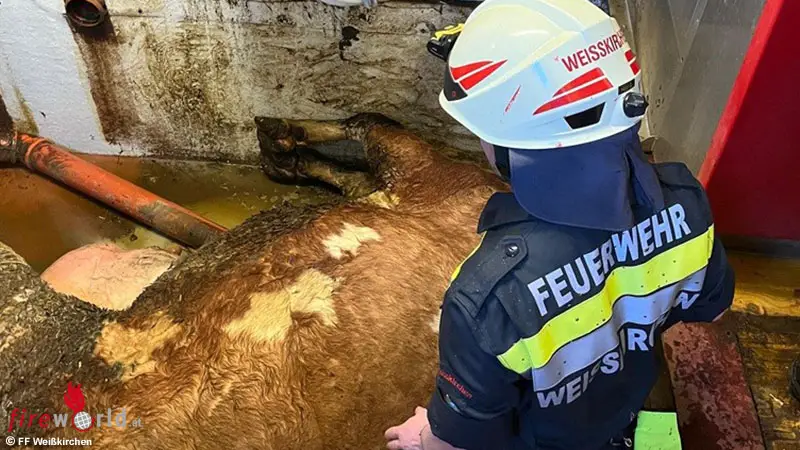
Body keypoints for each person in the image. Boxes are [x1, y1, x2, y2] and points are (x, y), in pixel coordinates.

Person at [384, 0, 735, 449]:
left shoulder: (488, 300)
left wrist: (424, 436)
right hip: (616, 416)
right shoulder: (689, 203)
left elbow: (460, 440)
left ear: (507, 142)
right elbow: (715, 310)